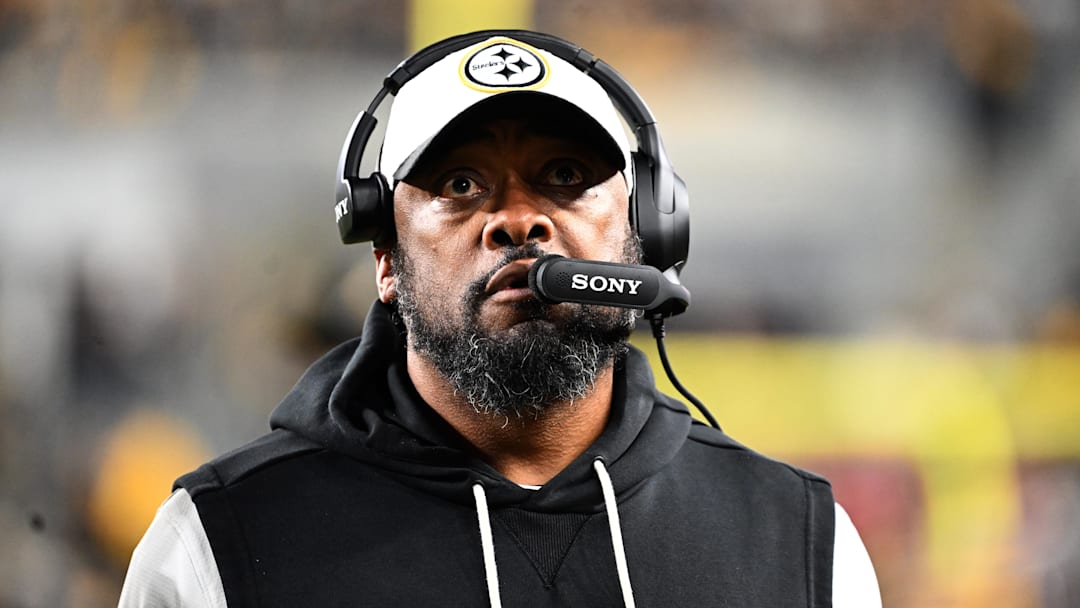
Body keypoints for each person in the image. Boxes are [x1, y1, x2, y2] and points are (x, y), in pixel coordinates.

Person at [119, 30, 881, 607]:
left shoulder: (801, 546)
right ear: (384, 259)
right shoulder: (217, 548)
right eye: (459, 182)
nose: (518, 219)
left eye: (564, 176)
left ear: (646, 231)